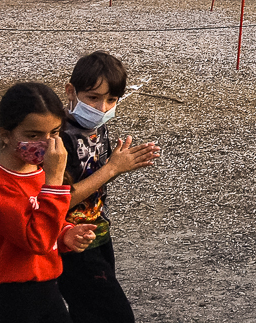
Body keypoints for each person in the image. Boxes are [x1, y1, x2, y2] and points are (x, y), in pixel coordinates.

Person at [0, 82, 97, 323]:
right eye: (33, 135)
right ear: (5, 135)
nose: (47, 143)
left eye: (54, 133)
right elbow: (36, 238)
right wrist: (54, 181)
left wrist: (65, 235)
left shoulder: (37, 172)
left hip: (47, 291)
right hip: (12, 302)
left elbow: (44, 225)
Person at [58, 53, 161, 322]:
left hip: (98, 232)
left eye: (111, 100)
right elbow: (59, 200)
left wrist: (121, 165)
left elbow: (92, 180)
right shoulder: (60, 137)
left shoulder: (97, 129)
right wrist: (112, 168)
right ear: (71, 91)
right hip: (70, 240)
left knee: (88, 313)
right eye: (93, 97)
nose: (102, 108)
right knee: (114, 314)